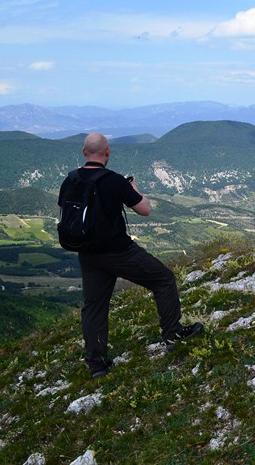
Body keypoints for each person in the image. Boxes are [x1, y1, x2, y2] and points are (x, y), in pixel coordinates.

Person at [58, 132, 203, 378]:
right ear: (107, 153)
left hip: (87, 254)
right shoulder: (114, 181)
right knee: (163, 279)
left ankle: (97, 365)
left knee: (94, 307)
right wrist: (134, 189)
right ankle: (172, 334)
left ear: (84, 153)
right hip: (118, 252)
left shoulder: (70, 180)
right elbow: (144, 209)